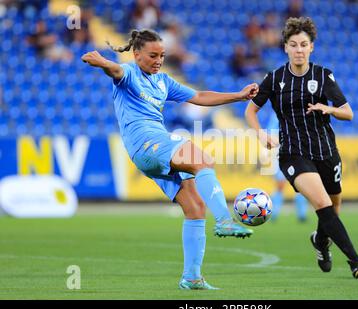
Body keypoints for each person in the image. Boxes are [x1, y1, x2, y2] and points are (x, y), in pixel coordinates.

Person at [81, 29, 259, 290]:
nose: (158, 60)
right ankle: (225, 221)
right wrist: (103, 63)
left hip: (154, 150)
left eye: (162, 55)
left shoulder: (163, 81)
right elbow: (115, 71)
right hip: (147, 143)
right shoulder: (129, 73)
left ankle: (192, 277)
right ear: (137, 54)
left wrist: (239, 95)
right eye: (152, 55)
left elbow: (199, 97)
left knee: (195, 207)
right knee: (202, 160)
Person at [245, 17, 358, 279]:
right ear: (286, 48)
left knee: (333, 207)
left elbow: (349, 114)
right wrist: (260, 135)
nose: (299, 49)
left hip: (326, 151)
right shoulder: (275, 78)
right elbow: (251, 110)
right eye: (294, 44)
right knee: (323, 203)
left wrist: (330, 109)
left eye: (304, 44)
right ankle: (356, 261)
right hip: (293, 153)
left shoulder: (323, 76)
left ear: (311, 47)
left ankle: (321, 241)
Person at [266, 112, 308, 222]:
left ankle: (302, 214)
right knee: (280, 185)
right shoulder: (276, 115)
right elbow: (270, 135)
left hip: (298, 154)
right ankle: (274, 213)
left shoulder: (298, 112)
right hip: (282, 154)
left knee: (301, 185)